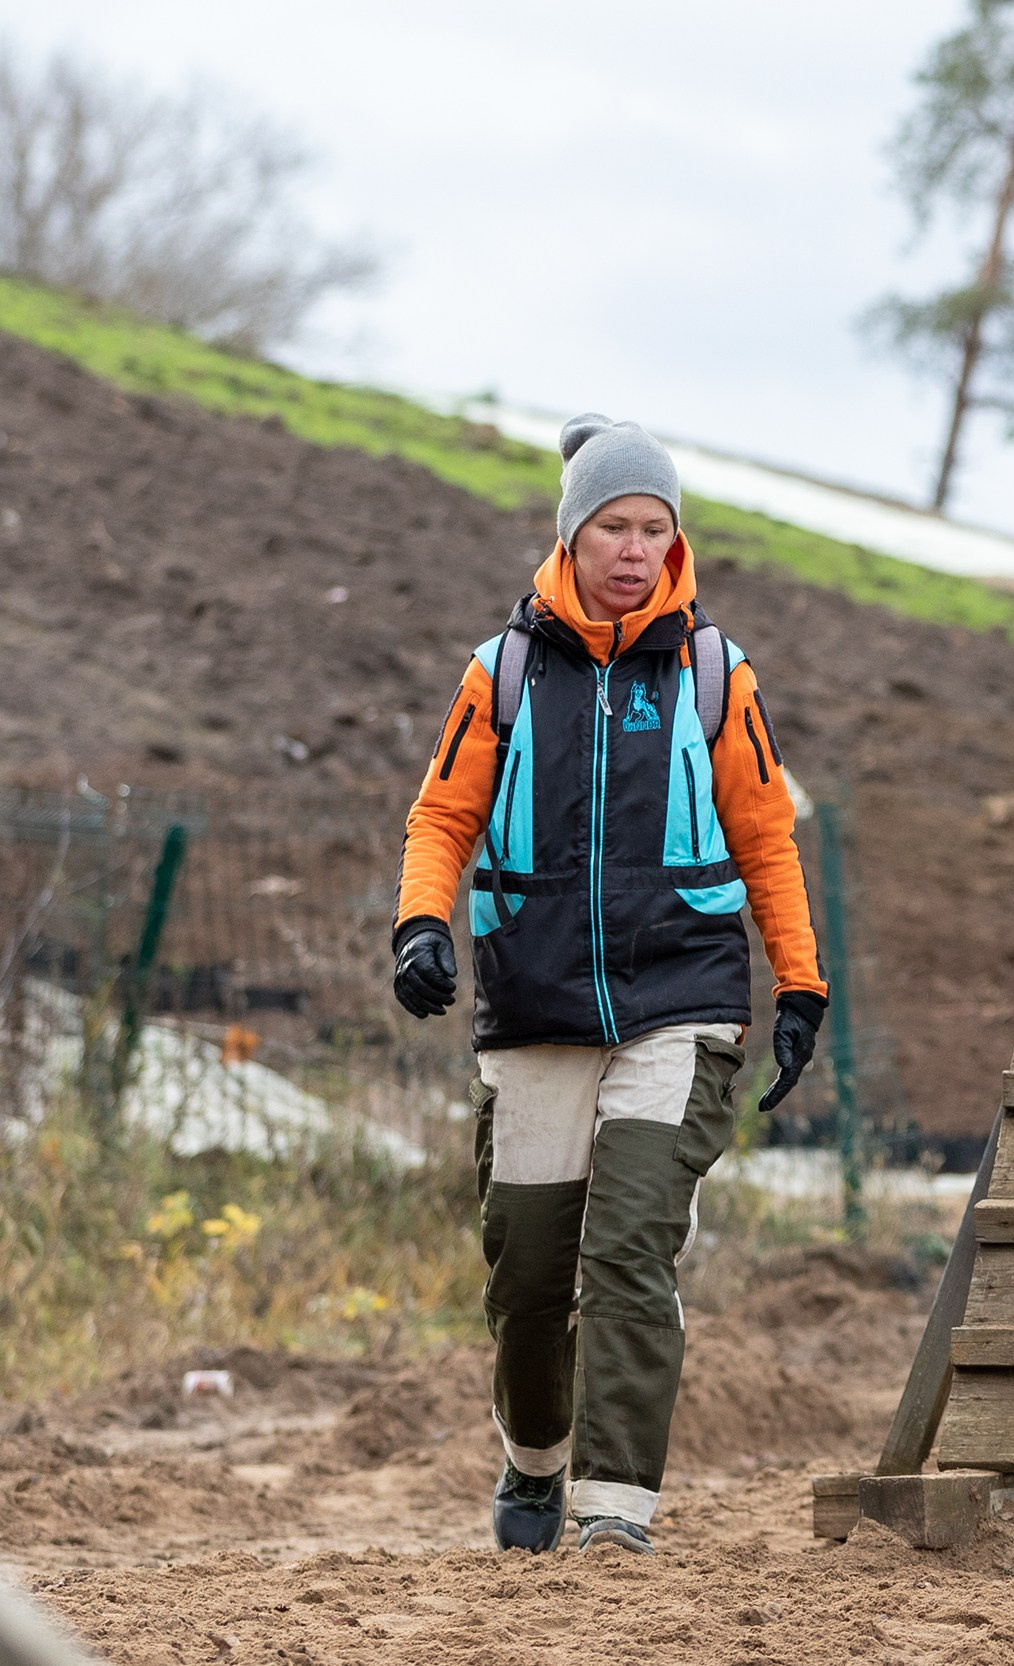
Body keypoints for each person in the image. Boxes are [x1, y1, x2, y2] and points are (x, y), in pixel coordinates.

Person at [388, 414, 827, 1556]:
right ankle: (535, 1459)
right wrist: (420, 925)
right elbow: (443, 814)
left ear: (675, 540)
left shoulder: (714, 673)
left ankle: (615, 1508)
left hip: (679, 1001)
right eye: (614, 526)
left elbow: (766, 835)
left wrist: (801, 984)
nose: (635, 548)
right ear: (572, 533)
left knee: (627, 1249)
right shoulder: (505, 669)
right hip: (533, 1006)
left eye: (655, 527)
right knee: (529, 1278)